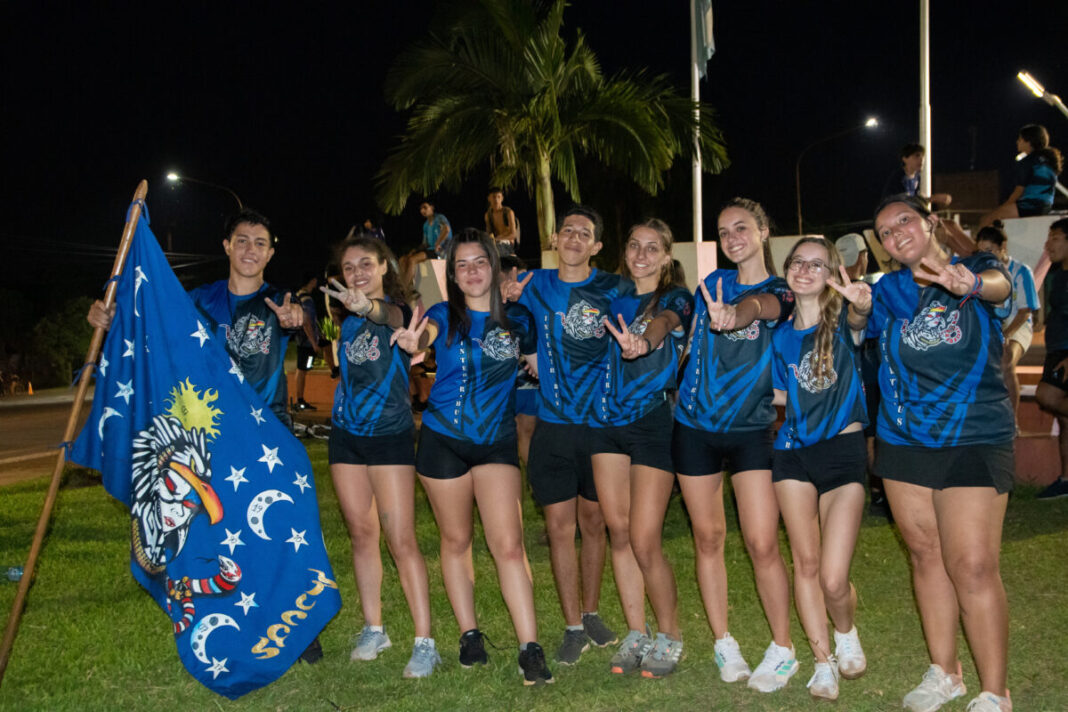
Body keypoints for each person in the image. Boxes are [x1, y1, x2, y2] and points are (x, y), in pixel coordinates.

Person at [88, 209, 322, 663]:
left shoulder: (281, 300)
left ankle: (300, 626)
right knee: (225, 532)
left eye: (260, 242)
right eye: (242, 240)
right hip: (210, 440)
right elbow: (151, 328)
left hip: (268, 436)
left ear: (271, 252)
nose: (250, 249)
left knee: (283, 529)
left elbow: (307, 326)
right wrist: (108, 320)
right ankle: (236, 613)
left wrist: (297, 318)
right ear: (226, 246)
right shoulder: (196, 301)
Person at [870, 194, 1013, 712]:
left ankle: (995, 692)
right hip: (905, 438)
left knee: (972, 564)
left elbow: (1001, 288)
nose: (895, 234)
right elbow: (852, 327)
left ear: (929, 222)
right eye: (885, 231)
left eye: (904, 220)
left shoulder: (976, 266)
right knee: (926, 554)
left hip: (975, 433)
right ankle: (945, 672)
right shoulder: (887, 290)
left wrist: (969, 284)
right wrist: (856, 309)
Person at [393, 228, 552, 685]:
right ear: (453, 276)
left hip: (496, 442)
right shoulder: (444, 314)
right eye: (461, 265)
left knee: (508, 544)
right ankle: (469, 635)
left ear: (494, 266)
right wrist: (414, 344)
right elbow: (425, 339)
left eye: (479, 261)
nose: (471, 270)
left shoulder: (520, 318)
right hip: (442, 440)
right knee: (456, 541)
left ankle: (530, 647)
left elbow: (540, 365)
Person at [673, 197, 798, 693]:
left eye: (741, 228)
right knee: (708, 539)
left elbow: (764, 307)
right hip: (694, 427)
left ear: (764, 231)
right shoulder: (709, 286)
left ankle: (783, 647)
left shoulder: (782, 290)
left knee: (763, 542)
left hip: (751, 429)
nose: (732, 238)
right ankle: (724, 641)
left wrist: (739, 313)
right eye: (724, 232)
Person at [503, 205, 628, 665]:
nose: (575, 237)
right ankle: (573, 625)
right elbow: (505, 315)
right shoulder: (534, 284)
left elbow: (651, 315)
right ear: (556, 239)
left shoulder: (615, 288)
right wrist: (506, 297)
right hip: (552, 426)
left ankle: (592, 612)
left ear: (596, 246)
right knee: (559, 529)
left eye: (586, 233)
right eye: (568, 230)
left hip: (600, 428)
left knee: (595, 524)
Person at [320, 235, 440, 678]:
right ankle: (375, 627)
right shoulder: (345, 323)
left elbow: (389, 315)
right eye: (349, 267)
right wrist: (352, 310)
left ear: (384, 267)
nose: (358, 273)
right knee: (361, 534)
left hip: (389, 438)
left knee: (401, 539)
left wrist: (367, 306)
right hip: (346, 438)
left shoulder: (400, 314)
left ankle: (424, 641)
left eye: (366, 264)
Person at [771, 237, 872, 701]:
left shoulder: (843, 321)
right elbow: (781, 397)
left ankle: (846, 630)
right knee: (805, 564)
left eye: (817, 264)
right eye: (798, 263)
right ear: (787, 270)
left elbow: (858, 319)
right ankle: (822, 661)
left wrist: (861, 306)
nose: (805, 271)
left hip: (843, 453)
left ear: (833, 271)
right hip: (792, 454)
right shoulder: (779, 337)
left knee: (834, 578)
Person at [595, 218, 693, 678]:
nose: (641, 254)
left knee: (644, 538)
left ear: (667, 256)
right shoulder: (612, 297)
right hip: (606, 422)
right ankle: (637, 631)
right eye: (634, 245)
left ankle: (670, 636)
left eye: (652, 248)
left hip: (652, 421)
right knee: (617, 531)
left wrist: (643, 341)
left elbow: (665, 324)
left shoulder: (674, 298)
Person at [837, 232, 889, 518]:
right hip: (868, 365)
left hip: (842, 369)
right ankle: (878, 493)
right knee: (873, 434)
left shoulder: (828, 290)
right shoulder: (867, 291)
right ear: (862, 257)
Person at [974, 223, 1040, 427]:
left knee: (1006, 359)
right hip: (992, 325)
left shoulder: (1021, 271)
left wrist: (1007, 334)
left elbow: (1025, 311)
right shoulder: (979, 272)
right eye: (981, 251)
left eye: (990, 250)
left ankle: (1013, 421)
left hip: (1016, 326)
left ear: (1003, 247)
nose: (986, 255)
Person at [1035, 218, 1068, 500]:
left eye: (1056, 237)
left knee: (1047, 396)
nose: (1049, 244)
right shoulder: (1057, 275)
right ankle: (1066, 480)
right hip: (1056, 349)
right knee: (1064, 419)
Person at [980, 124, 1063, 228]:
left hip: (1029, 207)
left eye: (1020, 139)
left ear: (1028, 141)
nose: (1017, 142)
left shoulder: (1027, 162)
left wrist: (1004, 206)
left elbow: (1019, 191)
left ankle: (977, 244)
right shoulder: (1049, 161)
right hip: (1045, 207)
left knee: (986, 219)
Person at [499, 255, 538, 465]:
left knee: (527, 428)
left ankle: (531, 477)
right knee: (510, 428)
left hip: (529, 375)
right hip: (505, 379)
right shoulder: (486, 306)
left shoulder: (530, 301)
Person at [882, 144, 952, 208]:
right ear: (905, 159)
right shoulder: (898, 177)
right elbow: (903, 201)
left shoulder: (917, 178)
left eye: (923, 157)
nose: (921, 160)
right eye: (917, 156)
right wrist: (932, 199)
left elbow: (914, 200)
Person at [400, 200, 452, 288]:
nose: (422, 211)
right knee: (403, 259)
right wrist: (415, 250)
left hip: (441, 251)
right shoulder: (425, 225)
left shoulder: (439, 218)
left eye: (425, 207)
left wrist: (438, 243)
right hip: (430, 250)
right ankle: (407, 285)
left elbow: (446, 229)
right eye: (421, 209)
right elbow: (425, 244)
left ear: (432, 207)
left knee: (412, 260)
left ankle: (403, 288)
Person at [293, 273, 323, 412]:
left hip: (300, 339)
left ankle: (299, 400)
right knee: (303, 370)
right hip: (306, 342)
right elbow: (307, 322)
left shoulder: (298, 295)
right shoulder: (307, 299)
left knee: (301, 369)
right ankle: (300, 401)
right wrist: (314, 342)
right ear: (311, 281)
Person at [484, 187, 519, 256]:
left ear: (502, 198)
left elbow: (513, 234)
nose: (496, 200)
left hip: (508, 244)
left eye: (498, 197)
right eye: (494, 197)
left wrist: (498, 239)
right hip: (495, 243)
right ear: (489, 199)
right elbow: (489, 233)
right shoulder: (488, 215)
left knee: (496, 250)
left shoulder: (508, 212)